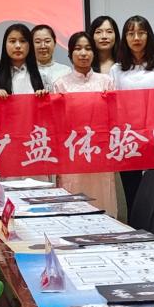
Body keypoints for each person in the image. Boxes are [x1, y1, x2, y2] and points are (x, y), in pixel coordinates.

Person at [110, 15, 154, 218]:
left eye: (141, 33)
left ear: (149, 36)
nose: (136, 38)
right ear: (124, 38)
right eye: (131, 33)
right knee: (134, 199)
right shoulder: (116, 69)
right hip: (129, 142)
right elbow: (112, 107)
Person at [53, 31, 117, 215]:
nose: (83, 53)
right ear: (70, 53)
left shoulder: (106, 82)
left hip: (100, 152)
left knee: (103, 201)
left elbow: (115, 118)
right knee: (74, 204)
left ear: (94, 53)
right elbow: (57, 124)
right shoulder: (60, 85)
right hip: (72, 153)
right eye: (78, 48)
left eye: (88, 48)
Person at [0, 24, 49, 97]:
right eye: (12, 41)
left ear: (30, 45)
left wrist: (43, 97)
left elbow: (50, 104)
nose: (18, 46)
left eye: (23, 41)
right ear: (5, 45)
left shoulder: (43, 76)